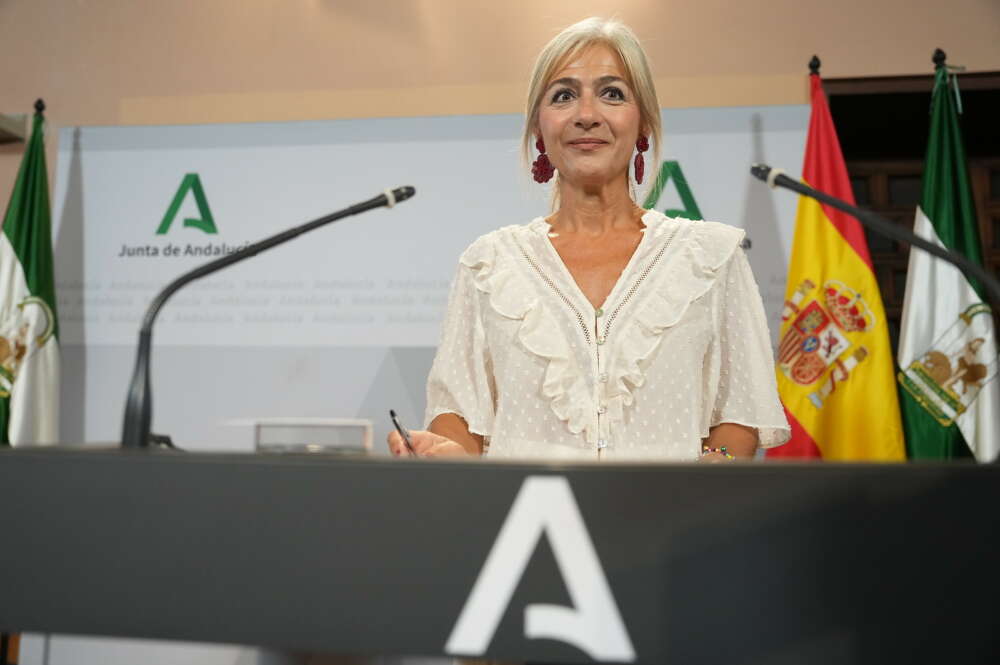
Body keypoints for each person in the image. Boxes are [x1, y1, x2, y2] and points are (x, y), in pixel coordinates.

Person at [388, 17, 789, 462]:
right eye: (563, 96)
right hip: (530, 521)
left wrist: (711, 463)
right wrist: (448, 455)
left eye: (612, 93)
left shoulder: (711, 257)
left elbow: (735, 426)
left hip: (670, 524)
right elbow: (460, 418)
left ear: (644, 125)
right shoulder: (489, 264)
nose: (586, 115)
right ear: (539, 129)